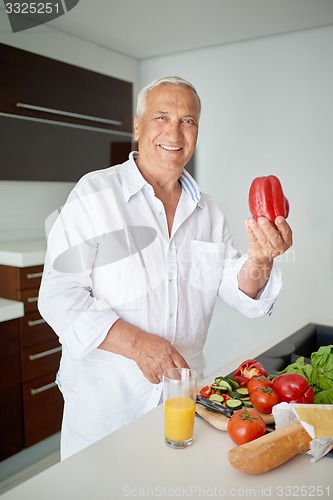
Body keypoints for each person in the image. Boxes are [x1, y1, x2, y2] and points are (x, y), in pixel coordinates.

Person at [38, 76, 292, 460]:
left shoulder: (209, 211)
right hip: (106, 411)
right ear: (138, 126)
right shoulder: (94, 194)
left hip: (180, 404)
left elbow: (239, 289)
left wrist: (260, 258)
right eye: (162, 117)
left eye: (188, 121)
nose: (175, 131)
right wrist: (138, 344)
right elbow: (59, 296)